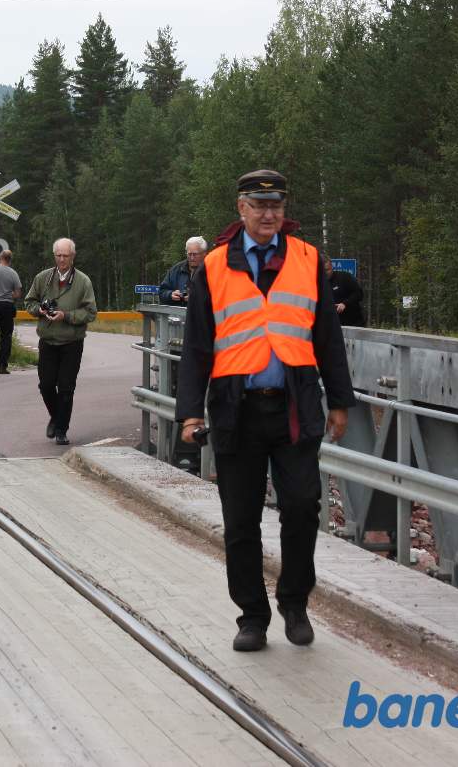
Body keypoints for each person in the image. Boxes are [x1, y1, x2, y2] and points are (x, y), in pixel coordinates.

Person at [176, 169, 354, 652]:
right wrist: (190, 414)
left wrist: (340, 401)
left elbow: (327, 336)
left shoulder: (307, 258)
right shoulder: (213, 266)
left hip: (295, 406)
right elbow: (196, 348)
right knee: (240, 519)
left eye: (276, 205)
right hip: (237, 409)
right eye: (259, 206)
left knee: (301, 507)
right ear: (241, 208)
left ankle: (294, 604)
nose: (268, 214)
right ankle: (251, 616)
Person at [25, 238, 97, 446]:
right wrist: (38, 310)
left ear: (73, 256)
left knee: (66, 388)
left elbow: (91, 312)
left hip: (71, 342)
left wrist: (65, 315)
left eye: (66, 255)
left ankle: (61, 430)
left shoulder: (83, 281)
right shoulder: (43, 278)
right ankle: (56, 417)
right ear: (54, 256)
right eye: (59, 255)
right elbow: (29, 302)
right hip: (48, 340)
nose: (62, 259)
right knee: (46, 385)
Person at [158, 237, 209, 304]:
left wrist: (198, 298)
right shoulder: (176, 270)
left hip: (203, 314)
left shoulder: (213, 270)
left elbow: (220, 296)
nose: (192, 258)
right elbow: (162, 292)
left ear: (204, 253)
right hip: (177, 313)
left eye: (195, 254)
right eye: (189, 254)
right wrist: (170, 295)